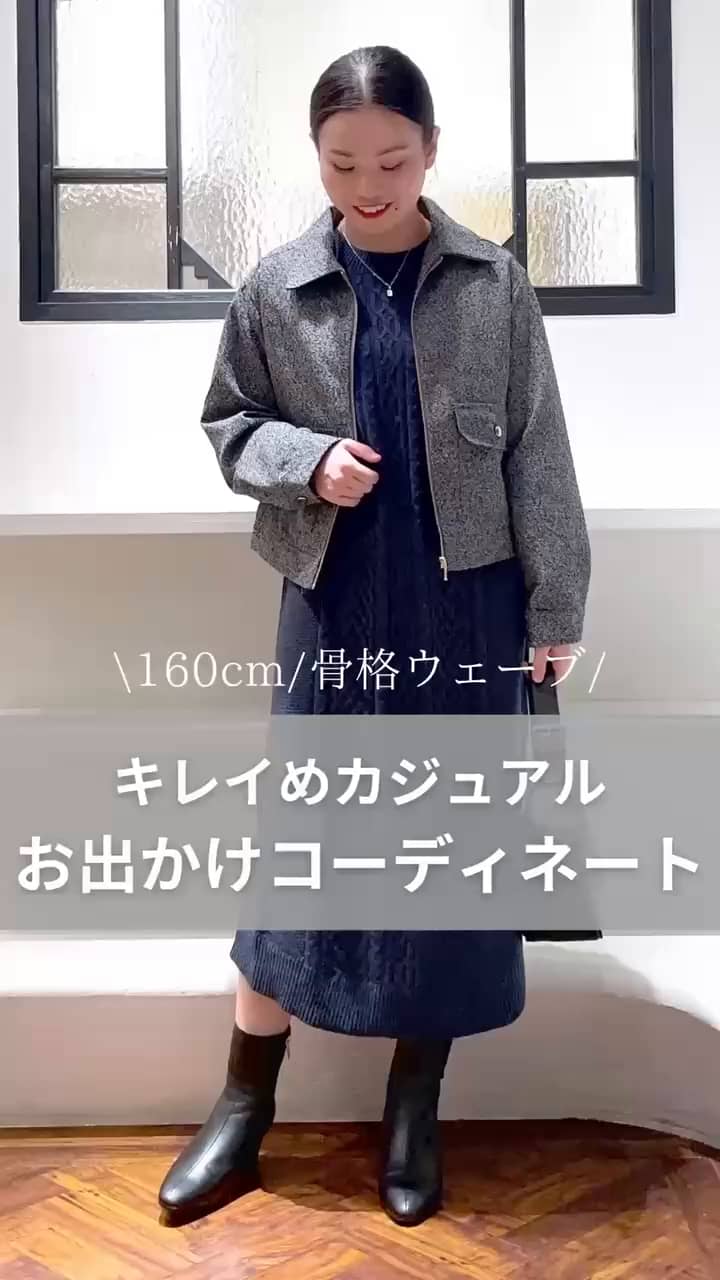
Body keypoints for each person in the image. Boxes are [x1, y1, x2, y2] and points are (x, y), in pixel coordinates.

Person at [158, 44, 591, 1230]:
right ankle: (243, 1104)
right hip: (335, 604)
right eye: (343, 162)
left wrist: (555, 611)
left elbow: (540, 454)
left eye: (393, 161)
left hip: (467, 608)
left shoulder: (495, 286)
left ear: (432, 152)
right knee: (299, 849)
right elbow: (230, 425)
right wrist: (307, 463)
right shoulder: (277, 285)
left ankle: (414, 1107)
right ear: (317, 157)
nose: (368, 184)